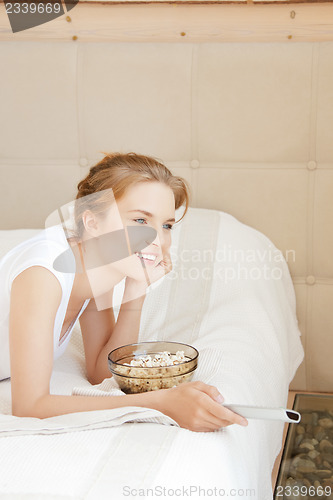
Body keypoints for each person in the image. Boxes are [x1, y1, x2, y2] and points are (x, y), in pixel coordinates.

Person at [1, 152, 248, 432]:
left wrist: (137, 286)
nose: (158, 239)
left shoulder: (95, 263)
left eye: (166, 225)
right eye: (140, 221)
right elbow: (29, 406)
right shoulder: (42, 275)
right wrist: (159, 402)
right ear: (92, 222)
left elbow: (101, 372)